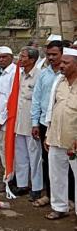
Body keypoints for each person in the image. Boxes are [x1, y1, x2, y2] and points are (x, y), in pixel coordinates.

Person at [44, 48, 77, 223]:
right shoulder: (59, 82)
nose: (61, 65)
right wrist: (48, 134)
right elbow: (52, 109)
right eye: (61, 62)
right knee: (56, 175)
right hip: (56, 136)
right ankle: (59, 207)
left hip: (74, 141)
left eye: (66, 63)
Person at [31, 40, 63, 207]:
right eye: (48, 54)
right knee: (47, 160)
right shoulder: (43, 74)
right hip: (45, 123)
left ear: (62, 54)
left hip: (63, 125)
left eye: (54, 55)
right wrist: (35, 123)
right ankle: (49, 195)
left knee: (65, 163)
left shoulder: (67, 75)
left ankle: (67, 198)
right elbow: (36, 99)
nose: (51, 58)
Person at [14, 47, 43, 201]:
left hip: (32, 122)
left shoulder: (39, 75)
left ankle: (37, 187)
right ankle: (22, 184)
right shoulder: (20, 74)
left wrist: (35, 124)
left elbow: (38, 102)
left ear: (32, 60)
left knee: (35, 156)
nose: (20, 58)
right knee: (20, 155)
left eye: (23, 56)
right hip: (19, 121)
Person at [0, 46, 16, 193]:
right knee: (2, 150)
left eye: (4, 57)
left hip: (6, 121)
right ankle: (8, 178)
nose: (1, 59)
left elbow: (11, 99)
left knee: (8, 152)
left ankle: (9, 180)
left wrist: (2, 119)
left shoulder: (14, 73)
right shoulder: (2, 73)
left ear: (11, 57)